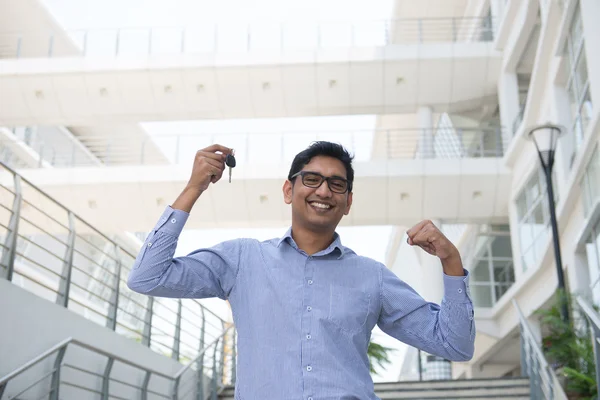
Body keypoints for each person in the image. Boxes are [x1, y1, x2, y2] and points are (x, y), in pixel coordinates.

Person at [127, 141, 475, 400]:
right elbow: (147, 277)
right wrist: (194, 188)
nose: (324, 190)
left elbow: (454, 345)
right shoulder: (242, 260)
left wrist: (451, 261)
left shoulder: (373, 278)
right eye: (312, 179)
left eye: (337, 184)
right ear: (288, 190)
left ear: (348, 202)